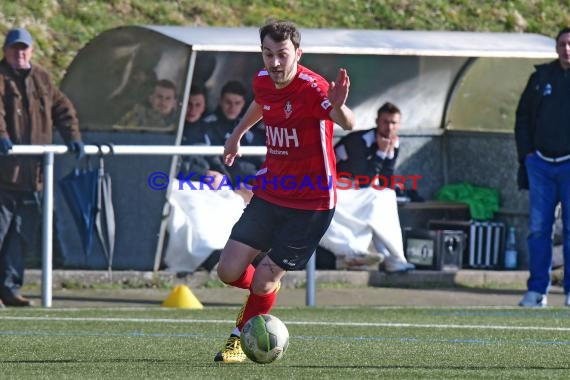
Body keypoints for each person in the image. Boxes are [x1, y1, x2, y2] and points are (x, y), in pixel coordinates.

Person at [213, 19, 354, 362]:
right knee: (227, 271)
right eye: (268, 54)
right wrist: (237, 134)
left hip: (311, 202)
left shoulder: (313, 88)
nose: (275, 63)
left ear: (298, 53)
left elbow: (348, 123)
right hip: (272, 192)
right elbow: (261, 102)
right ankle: (266, 291)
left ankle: (238, 341)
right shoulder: (262, 80)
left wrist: (339, 105)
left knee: (262, 279)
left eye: (282, 55)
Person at [0, 28, 84, 307]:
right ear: (6, 51)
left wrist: (73, 137)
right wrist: (1, 135)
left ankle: (10, 289)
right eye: (14, 49)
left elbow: (63, 109)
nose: (19, 53)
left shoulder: (42, 79)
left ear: (32, 51)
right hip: (3, 176)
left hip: (33, 177)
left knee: (21, 238)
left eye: (24, 49)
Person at [320, 102, 415, 273]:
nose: (389, 127)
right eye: (386, 122)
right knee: (379, 198)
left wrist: (389, 154)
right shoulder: (359, 141)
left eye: (394, 123)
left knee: (385, 197)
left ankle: (393, 258)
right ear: (377, 121)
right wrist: (380, 153)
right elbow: (363, 179)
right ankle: (355, 252)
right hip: (331, 186)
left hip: (357, 190)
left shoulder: (393, 142)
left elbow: (385, 181)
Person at [515, 27, 570, 308]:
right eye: (562, 44)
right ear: (556, 47)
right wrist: (527, 156)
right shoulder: (541, 78)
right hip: (541, 165)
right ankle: (537, 291)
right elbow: (522, 117)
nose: (567, 49)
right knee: (539, 229)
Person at [202, 80, 265, 187]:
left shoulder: (249, 127)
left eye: (237, 103)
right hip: (220, 182)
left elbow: (260, 159)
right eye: (228, 102)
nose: (232, 108)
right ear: (220, 101)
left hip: (249, 182)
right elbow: (211, 159)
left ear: (243, 104)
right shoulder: (206, 125)